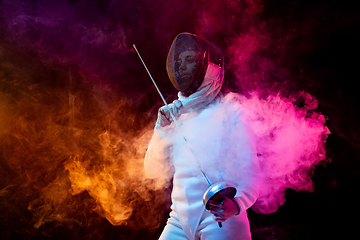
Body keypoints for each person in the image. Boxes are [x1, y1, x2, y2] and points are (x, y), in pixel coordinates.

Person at [144, 32, 261, 240]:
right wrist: (160, 130)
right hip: (178, 220)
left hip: (221, 220)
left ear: (209, 69)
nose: (181, 66)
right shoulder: (174, 115)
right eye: (179, 61)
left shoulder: (232, 112)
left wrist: (236, 205)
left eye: (190, 60)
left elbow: (251, 173)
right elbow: (152, 171)